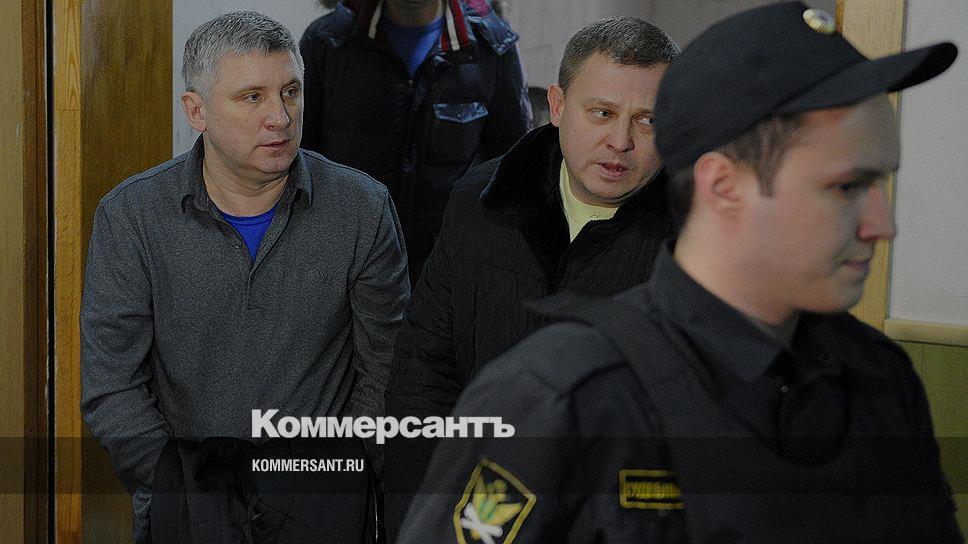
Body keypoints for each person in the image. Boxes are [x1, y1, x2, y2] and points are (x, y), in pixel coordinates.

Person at [396, 2, 962, 542]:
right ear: (722, 186)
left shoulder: (880, 381)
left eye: (879, 183)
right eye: (846, 187)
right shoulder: (564, 394)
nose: (883, 225)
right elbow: (423, 370)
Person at [80, 11, 409, 542]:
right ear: (197, 111)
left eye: (291, 92)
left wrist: (334, 479)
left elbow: (387, 371)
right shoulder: (132, 216)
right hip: (188, 512)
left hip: (322, 510)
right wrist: (187, 486)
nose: (280, 117)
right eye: (252, 97)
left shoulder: (362, 208)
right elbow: (112, 388)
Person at [383, 16, 679, 539]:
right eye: (602, 113)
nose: (620, 141)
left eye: (647, 120)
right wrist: (424, 516)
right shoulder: (480, 202)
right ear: (558, 106)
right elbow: (423, 374)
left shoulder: (695, 242)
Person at [299, 0, 532, 279]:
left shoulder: (492, 47)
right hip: (345, 268)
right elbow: (298, 168)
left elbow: (515, 174)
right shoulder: (328, 42)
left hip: (448, 273)